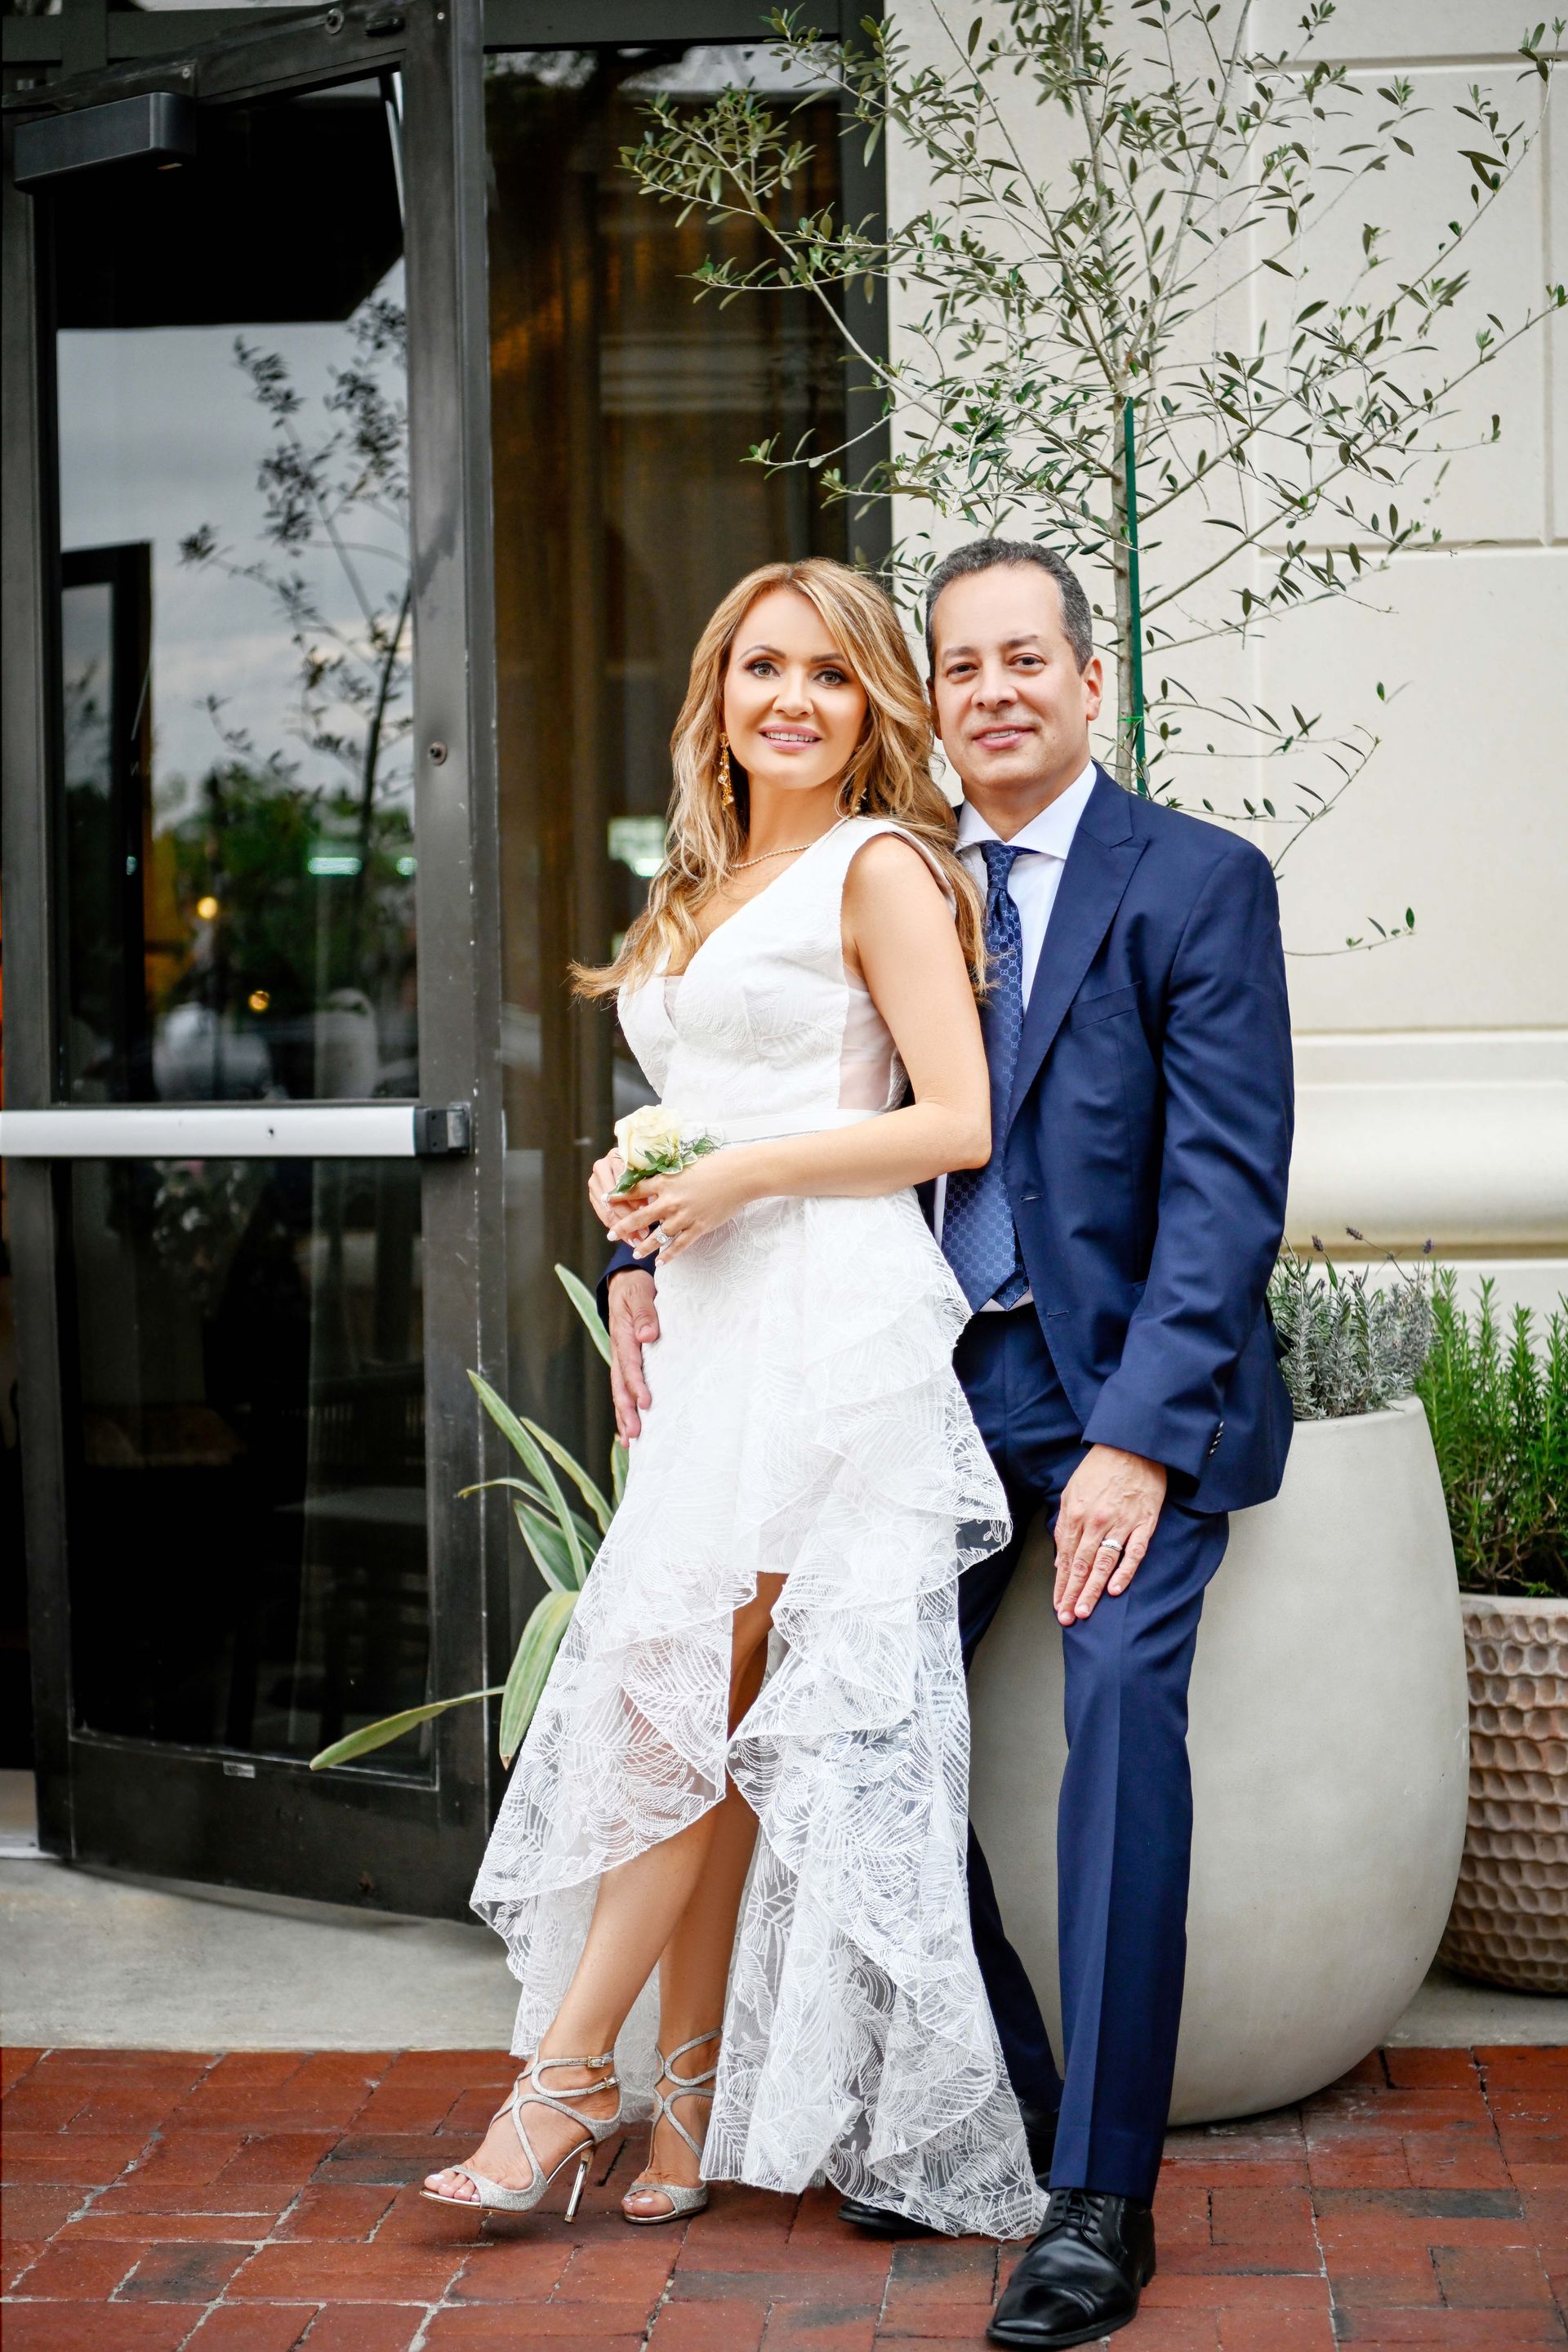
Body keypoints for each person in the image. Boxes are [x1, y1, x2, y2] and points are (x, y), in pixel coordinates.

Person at [604, 540, 1295, 2346]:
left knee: (1119, 1721)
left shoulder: (1195, 884)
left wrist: (1144, 1443)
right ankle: (1017, 2094)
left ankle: (1099, 2198)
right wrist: (633, 1247)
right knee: (820, 1719)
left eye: (1026, 661)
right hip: (929, 1396)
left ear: (1089, 682)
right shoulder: (880, 868)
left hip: (1128, 1405)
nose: (994, 691)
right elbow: (761, 1091)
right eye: (961, 665)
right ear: (935, 694)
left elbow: (1226, 1194)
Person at [423, 557, 1046, 2243]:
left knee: (687, 1697)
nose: (793, 698)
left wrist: (743, 1173)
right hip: (705, 1334)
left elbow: (957, 1123)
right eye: (763, 667)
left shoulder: (883, 868)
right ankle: (683, 2112)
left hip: (828, 1324)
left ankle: (565, 2085)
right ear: (717, 696)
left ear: (871, 710)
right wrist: (637, 1263)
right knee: (699, 1715)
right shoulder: (690, 887)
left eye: (832, 676)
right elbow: (689, 1112)